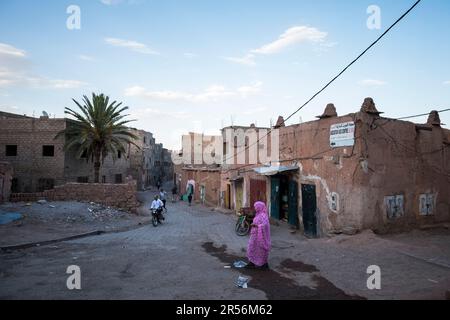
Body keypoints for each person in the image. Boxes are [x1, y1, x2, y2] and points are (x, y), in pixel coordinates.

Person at [246, 201, 271, 270]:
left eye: (256, 206)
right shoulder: (258, 214)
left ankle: (263, 264)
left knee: (261, 250)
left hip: (260, 237)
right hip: (254, 236)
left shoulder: (263, 215)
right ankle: (252, 263)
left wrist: (256, 225)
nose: (255, 208)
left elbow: (265, 225)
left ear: (259, 207)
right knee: (251, 248)